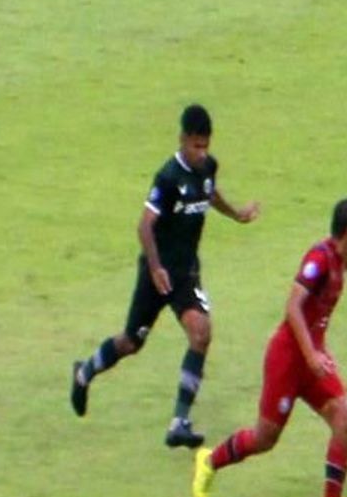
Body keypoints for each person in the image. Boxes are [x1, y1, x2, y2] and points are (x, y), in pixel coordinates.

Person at [69, 104, 260, 449]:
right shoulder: (168, 177)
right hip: (157, 273)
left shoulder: (207, 168)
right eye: (196, 146)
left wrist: (236, 214)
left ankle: (179, 422)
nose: (202, 153)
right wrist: (155, 268)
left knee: (201, 333)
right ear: (183, 139)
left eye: (206, 146)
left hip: (185, 273)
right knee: (131, 342)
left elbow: (209, 191)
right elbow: (144, 225)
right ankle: (84, 372)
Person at [192, 198, 347, 497]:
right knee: (265, 438)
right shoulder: (320, 259)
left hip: (313, 358)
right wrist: (310, 353)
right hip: (288, 357)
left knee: (344, 420)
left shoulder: (345, 262)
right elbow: (293, 307)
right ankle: (209, 460)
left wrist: (318, 351)